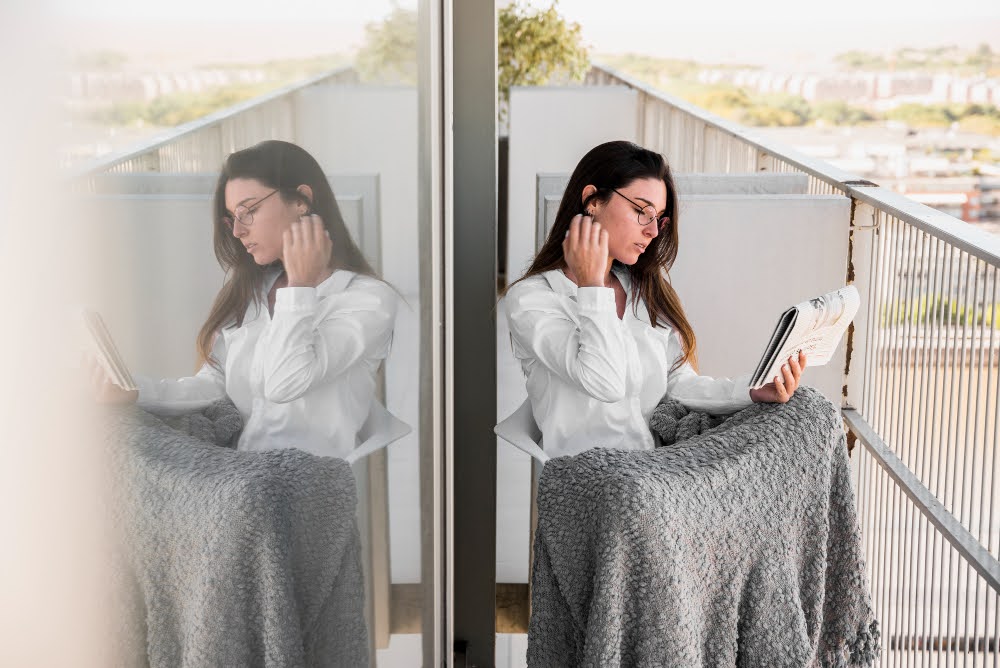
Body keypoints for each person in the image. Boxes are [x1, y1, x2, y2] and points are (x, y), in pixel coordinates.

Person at [92, 140, 397, 459]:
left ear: (302, 200)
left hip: (305, 492)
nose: (237, 231)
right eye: (231, 218)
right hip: (239, 479)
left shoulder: (367, 299)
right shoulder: (251, 291)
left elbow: (285, 384)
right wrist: (133, 392)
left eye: (248, 211)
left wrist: (299, 286)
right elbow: (213, 387)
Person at [503, 140, 806, 457]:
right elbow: (605, 383)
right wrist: (592, 286)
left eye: (658, 218)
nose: (653, 232)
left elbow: (677, 383)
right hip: (592, 482)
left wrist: (752, 390)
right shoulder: (532, 299)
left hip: (658, 466)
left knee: (804, 413)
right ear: (592, 200)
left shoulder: (643, 289)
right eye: (640, 211)